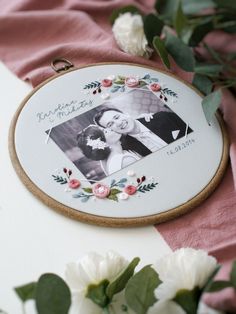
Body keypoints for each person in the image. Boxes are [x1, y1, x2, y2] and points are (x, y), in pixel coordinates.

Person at [94, 107, 192, 156]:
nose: (118, 123)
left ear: (125, 113)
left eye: (117, 117)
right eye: (110, 124)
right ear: (110, 130)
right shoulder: (127, 148)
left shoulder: (162, 117)